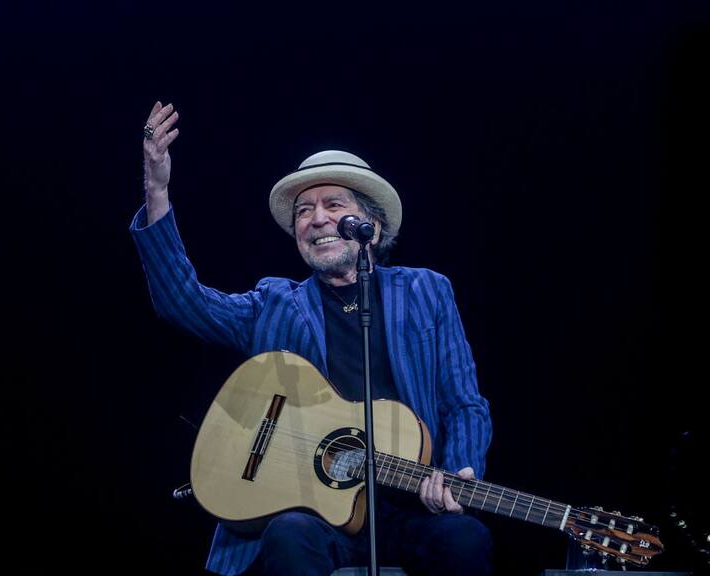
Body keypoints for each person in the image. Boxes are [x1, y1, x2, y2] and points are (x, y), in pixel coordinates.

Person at [131, 101, 494, 576]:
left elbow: (464, 402)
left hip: (411, 509)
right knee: (288, 534)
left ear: (371, 226)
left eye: (333, 205)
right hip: (314, 513)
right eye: (304, 211)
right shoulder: (275, 302)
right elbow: (183, 302)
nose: (316, 218)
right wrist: (157, 191)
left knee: (466, 539)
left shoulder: (427, 291)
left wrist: (458, 473)